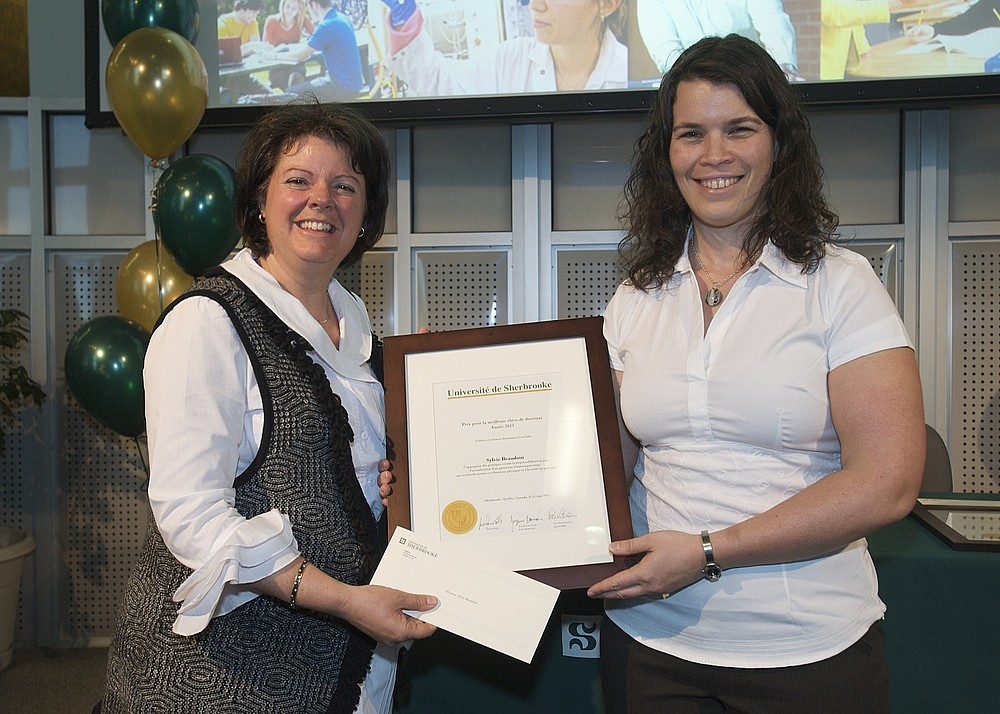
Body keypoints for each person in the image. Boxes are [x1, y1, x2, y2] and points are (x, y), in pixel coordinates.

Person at [587, 34, 925, 713]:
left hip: (807, 652)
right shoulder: (636, 296)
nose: (714, 155)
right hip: (651, 645)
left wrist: (710, 551)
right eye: (691, 134)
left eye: (739, 129)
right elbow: (604, 471)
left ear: (779, 144)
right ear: (667, 154)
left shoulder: (841, 285)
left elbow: (886, 484)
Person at [101, 101, 437, 714]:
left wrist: (389, 484)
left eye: (345, 185)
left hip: (346, 669)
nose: (322, 200)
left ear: (365, 214)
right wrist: (339, 597)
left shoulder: (359, 330)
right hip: (226, 680)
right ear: (259, 200)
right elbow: (191, 516)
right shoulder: (207, 322)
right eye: (298, 180)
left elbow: (335, 471)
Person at [376, 0, 628, 96]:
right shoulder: (511, 58)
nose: (536, 6)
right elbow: (441, 82)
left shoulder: (631, 72)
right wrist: (404, 16)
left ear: (607, 4)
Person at [636, 0, 804, 81]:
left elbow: (772, 20)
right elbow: (666, 53)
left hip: (750, 80)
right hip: (693, 87)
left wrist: (782, 67)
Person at [283, 0, 367, 102]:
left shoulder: (326, 25)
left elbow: (300, 56)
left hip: (340, 85)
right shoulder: (342, 18)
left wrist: (272, 56)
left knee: (290, 92)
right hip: (354, 83)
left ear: (314, 4)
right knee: (306, 86)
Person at [820, 0, 920, 80]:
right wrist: (891, 3)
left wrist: (862, 47)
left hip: (842, 65)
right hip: (821, 70)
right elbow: (832, 13)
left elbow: (851, 6)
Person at [262, 0, 316, 89]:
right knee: (285, 84)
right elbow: (266, 47)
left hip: (294, 62)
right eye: (288, 6)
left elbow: (316, 35)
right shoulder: (272, 21)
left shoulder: (302, 19)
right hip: (276, 65)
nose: (290, 10)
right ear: (282, 6)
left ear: (299, 9)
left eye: (294, 8)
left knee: (296, 78)